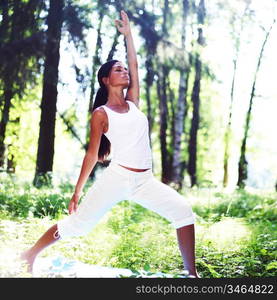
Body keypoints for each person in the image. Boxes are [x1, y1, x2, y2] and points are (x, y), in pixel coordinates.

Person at [21, 10, 199, 278]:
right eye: (118, 69)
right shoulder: (102, 114)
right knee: (77, 226)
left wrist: (128, 35)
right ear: (106, 79)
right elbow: (92, 155)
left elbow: (136, 65)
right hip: (117, 178)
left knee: (184, 212)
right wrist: (77, 192)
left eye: (124, 69)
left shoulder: (133, 102)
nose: (125, 71)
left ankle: (192, 275)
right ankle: (30, 254)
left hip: (145, 181)